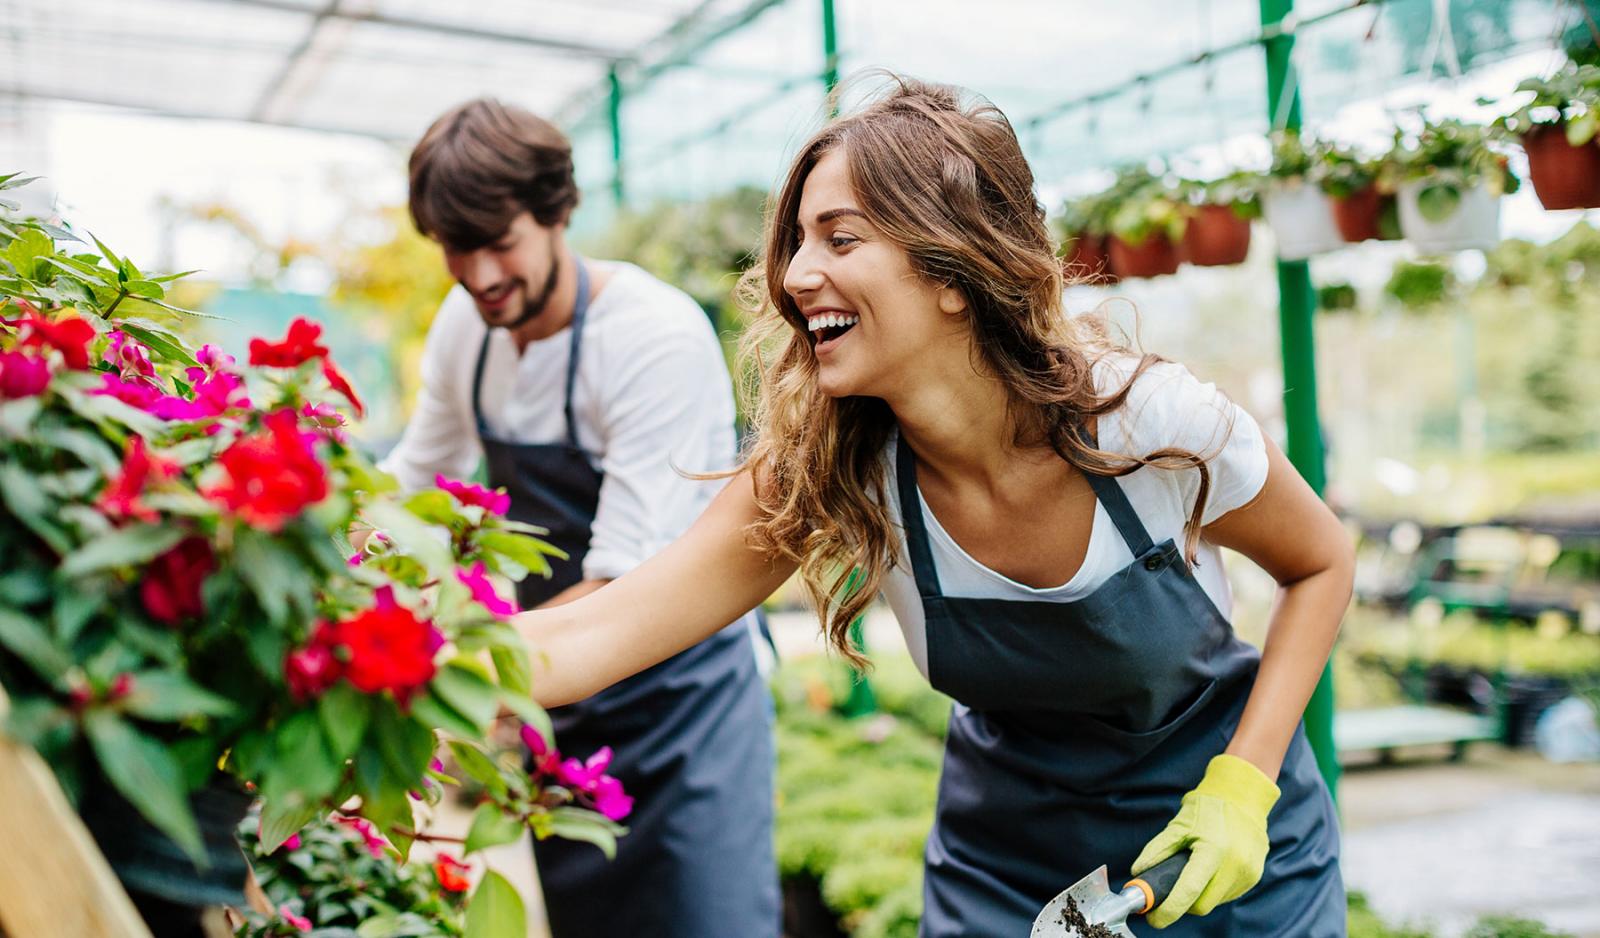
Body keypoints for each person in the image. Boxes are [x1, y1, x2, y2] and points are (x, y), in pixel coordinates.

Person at [512, 76, 1353, 937]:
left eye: (840, 238)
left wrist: (1247, 786)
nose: (797, 275)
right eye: (799, 242)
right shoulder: (837, 467)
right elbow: (602, 630)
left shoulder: (1145, 423)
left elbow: (1321, 561)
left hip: (1220, 864)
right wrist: (408, 662)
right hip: (1008, 874)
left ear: (952, 270)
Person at [380, 98, 779, 937]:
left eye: (500, 243)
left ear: (558, 214)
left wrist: (450, 681)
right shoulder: (468, 329)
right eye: (458, 249)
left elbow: (619, 582)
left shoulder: (651, 338)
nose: (481, 275)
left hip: (679, 707)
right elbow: (414, 480)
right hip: (560, 703)